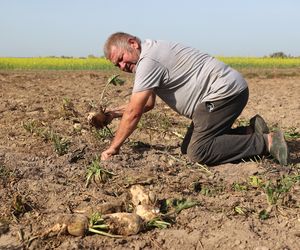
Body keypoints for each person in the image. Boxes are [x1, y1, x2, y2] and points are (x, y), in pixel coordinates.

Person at [100, 32, 289, 166]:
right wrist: (112, 114)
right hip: (223, 94)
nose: (123, 65)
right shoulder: (150, 52)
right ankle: (248, 132)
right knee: (187, 147)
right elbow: (147, 104)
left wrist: (113, 148)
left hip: (223, 94)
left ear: (133, 43)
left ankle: (268, 142)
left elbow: (135, 112)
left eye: (122, 58)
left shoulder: (148, 62)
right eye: (118, 65)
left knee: (199, 152)